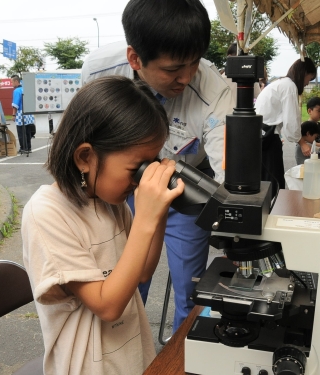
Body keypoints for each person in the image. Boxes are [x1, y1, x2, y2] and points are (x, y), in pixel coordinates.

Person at [81, 0, 233, 332]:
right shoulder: (97, 72)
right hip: (122, 190)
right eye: (173, 68)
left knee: (192, 293)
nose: (187, 77)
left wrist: (235, 217)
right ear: (134, 58)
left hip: (186, 190)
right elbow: (86, 145)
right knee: (126, 282)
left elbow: (228, 171)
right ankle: (125, 352)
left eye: (195, 63)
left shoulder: (216, 92)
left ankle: (180, 359)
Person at [22, 76, 184, 374]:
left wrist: (159, 211)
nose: (143, 176)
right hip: (88, 366)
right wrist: (146, 218)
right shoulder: (46, 212)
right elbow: (108, 306)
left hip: (130, 354)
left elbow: (144, 271)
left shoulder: (109, 201)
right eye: (137, 168)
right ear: (85, 157)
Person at [255, 58, 317, 196]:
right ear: (304, 73)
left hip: (260, 134)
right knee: (274, 183)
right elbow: (291, 122)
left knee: (264, 182)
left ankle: (267, 212)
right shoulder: (289, 87)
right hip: (268, 137)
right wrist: (302, 143)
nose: (307, 83)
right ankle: (274, 213)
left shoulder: (281, 83)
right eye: (309, 78)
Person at [11, 75, 35, 153]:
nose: (12, 84)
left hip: (21, 113)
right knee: (28, 131)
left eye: (12, 82)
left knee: (21, 131)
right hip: (29, 113)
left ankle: (23, 147)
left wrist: (14, 115)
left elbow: (15, 104)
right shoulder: (25, 88)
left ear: (16, 81)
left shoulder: (17, 91)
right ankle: (29, 147)